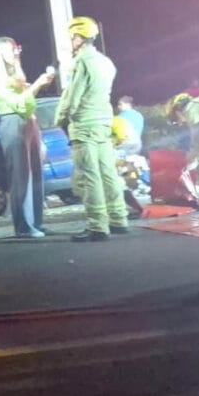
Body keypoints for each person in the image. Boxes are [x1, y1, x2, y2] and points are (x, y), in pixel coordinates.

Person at [55, 16, 129, 242]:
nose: (71, 42)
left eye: (72, 37)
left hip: (84, 123)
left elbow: (73, 96)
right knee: (108, 172)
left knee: (90, 175)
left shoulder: (82, 62)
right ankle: (119, 219)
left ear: (78, 37)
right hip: (104, 122)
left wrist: (62, 118)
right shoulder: (107, 62)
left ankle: (97, 225)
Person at [0, 36, 56, 238]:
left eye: (16, 48)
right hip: (13, 122)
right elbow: (18, 103)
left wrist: (34, 84)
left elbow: (26, 101)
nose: (16, 53)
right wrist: (36, 85)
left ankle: (36, 222)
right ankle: (23, 227)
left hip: (29, 121)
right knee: (20, 176)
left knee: (36, 174)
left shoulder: (15, 75)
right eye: (10, 50)